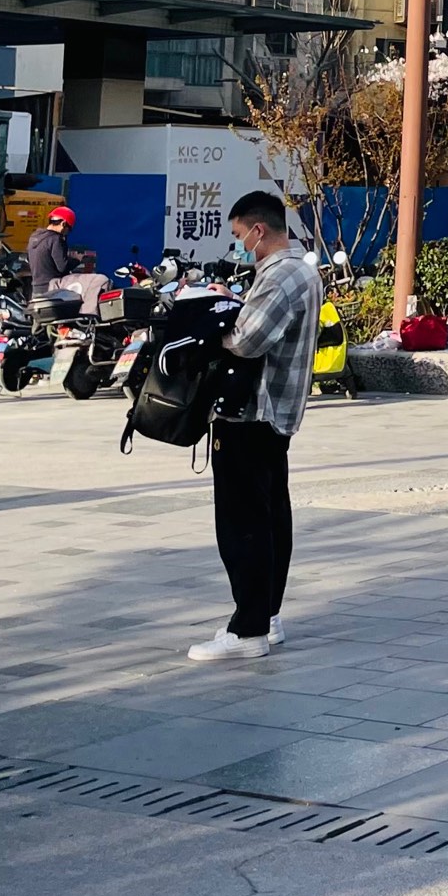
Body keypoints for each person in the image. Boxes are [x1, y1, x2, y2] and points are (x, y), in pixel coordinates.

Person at [189, 190, 321, 663]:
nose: (241, 244)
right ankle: (267, 616)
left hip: (250, 414)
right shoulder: (303, 270)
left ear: (259, 230)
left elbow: (246, 342)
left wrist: (213, 326)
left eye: (240, 234)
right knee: (269, 518)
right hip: (277, 415)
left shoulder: (281, 275)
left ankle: (247, 630)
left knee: (241, 523)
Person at [25, 206, 74, 297]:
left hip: (36, 289)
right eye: (69, 229)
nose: (67, 232)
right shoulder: (56, 239)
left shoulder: (34, 237)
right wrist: (76, 260)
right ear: (63, 224)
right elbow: (62, 267)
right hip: (52, 290)